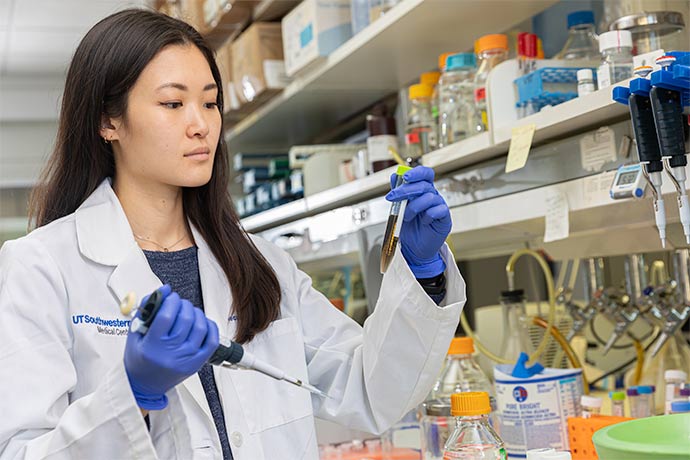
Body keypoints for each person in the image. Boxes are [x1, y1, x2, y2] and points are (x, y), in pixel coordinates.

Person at [0, 9, 465, 460]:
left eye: (209, 102)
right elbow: (20, 451)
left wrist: (421, 274)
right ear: (108, 121)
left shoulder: (259, 264)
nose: (201, 124)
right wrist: (133, 393)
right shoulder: (42, 267)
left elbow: (368, 389)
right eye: (173, 103)